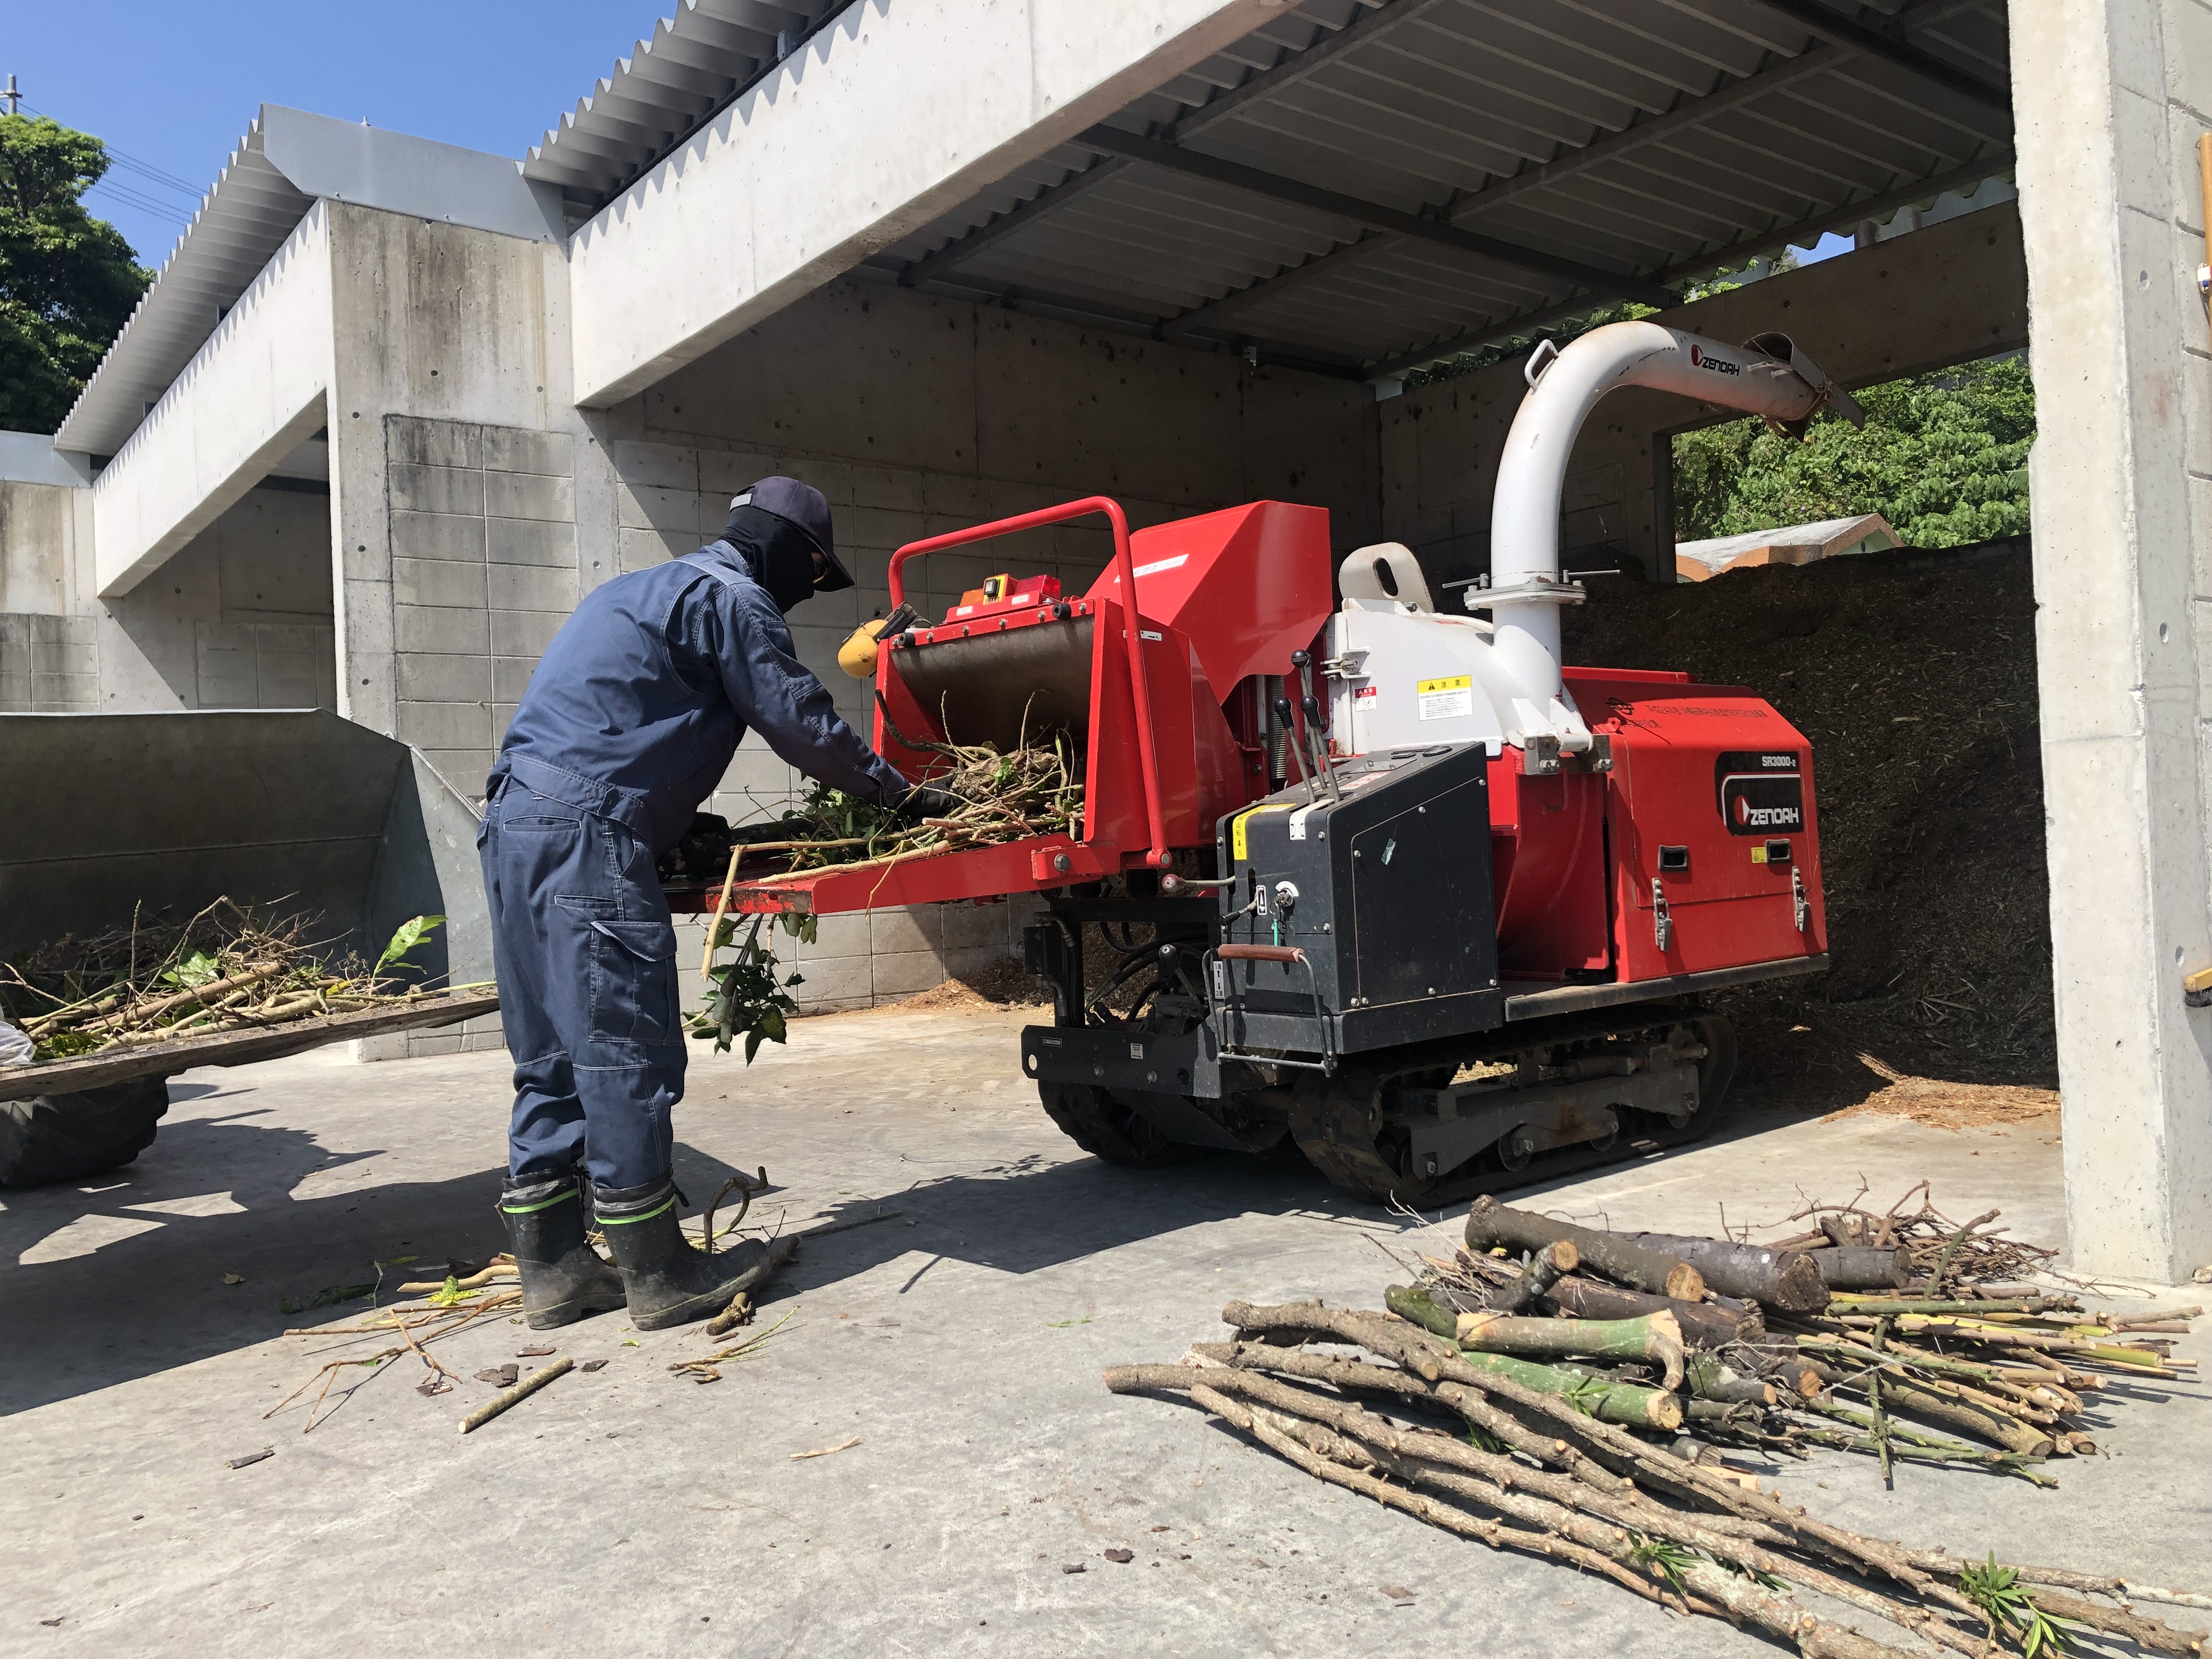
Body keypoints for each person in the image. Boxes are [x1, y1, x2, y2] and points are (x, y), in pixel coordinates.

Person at [479, 477, 953, 1330]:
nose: (809, 592)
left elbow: (610, 727)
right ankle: (657, 1274)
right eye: (814, 575)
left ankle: (553, 1272)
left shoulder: (635, 590)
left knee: (549, 1053)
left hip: (516, 826)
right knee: (623, 1054)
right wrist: (901, 795)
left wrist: (677, 818)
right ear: (788, 552)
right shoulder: (731, 598)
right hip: (589, 840)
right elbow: (797, 718)